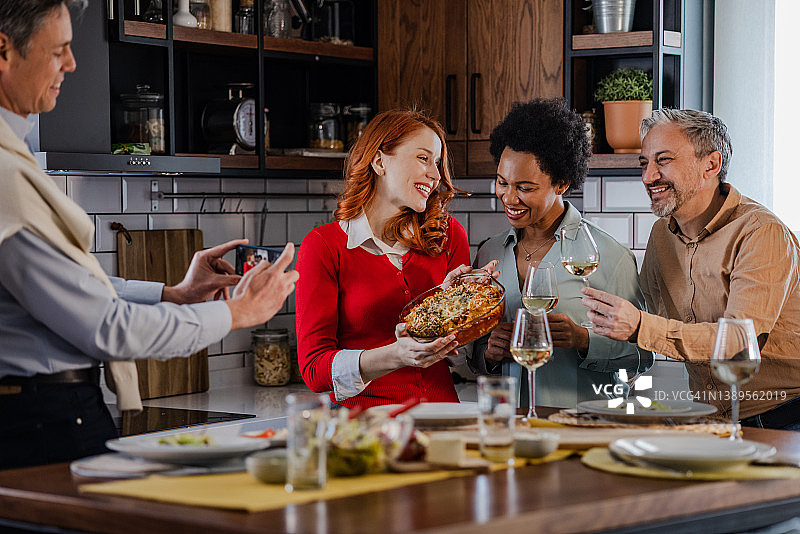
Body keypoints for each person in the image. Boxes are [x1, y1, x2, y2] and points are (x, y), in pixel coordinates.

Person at [0, 0, 299, 469]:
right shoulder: (4, 175)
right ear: (4, 51)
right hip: (39, 420)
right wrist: (240, 313)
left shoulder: (11, 159)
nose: (72, 64)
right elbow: (106, 328)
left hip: (46, 412)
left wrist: (173, 294)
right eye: (58, 50)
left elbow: (77, 285)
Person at [582, 108, 800, 430]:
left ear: (710, 165)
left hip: (785, 419)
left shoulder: (760, 233)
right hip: (711, 420)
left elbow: (738, 343)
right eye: (645, 163)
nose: (648, 177)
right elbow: (645, 323)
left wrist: (640, 325)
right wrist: (578, 336)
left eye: (664, 160)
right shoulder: (661, 236)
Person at [295, 109, 492, 409]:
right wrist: (396, 355)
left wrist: (450, 303)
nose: (436, 175)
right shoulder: (324, 246)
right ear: (379, 161)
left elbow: (457, 358)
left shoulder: (448, 235)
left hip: (443, 420)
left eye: (437, 163)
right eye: (424, 158)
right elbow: (314, 370)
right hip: (366, 428)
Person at [469, 98, 652, 409]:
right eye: (502, 182)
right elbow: (474, 354)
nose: (509, 197)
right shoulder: (490, 252)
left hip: (580, 428)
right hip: (508, 427)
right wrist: (488, 353)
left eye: (525, 187)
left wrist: (584, 340)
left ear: (562, 183)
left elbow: (642, 355)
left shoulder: (609, 256)